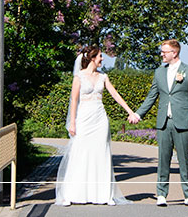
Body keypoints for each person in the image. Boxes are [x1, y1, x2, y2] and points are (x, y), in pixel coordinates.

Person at [55, 46, 140, 206]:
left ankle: (103, 195)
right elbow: (73, 100)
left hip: (100, 119)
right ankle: (72, 193)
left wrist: (130, 111)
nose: (102, 59)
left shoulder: (103, 76)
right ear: (93, 58)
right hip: (84, 119)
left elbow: (115, 94)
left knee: (101, 153)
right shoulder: (79, 77)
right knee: (80, 153)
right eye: (100, 56)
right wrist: (72, 123)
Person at [133, 39, 188, 207]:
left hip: (184, 121)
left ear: (175, 53)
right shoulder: (158, 72)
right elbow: (151, 96)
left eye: (164, 51)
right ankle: (161, 194)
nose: (162, 54)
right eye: (162, 51)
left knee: (184, 160)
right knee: (163, 159)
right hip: (163, 122)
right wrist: (138, 114)